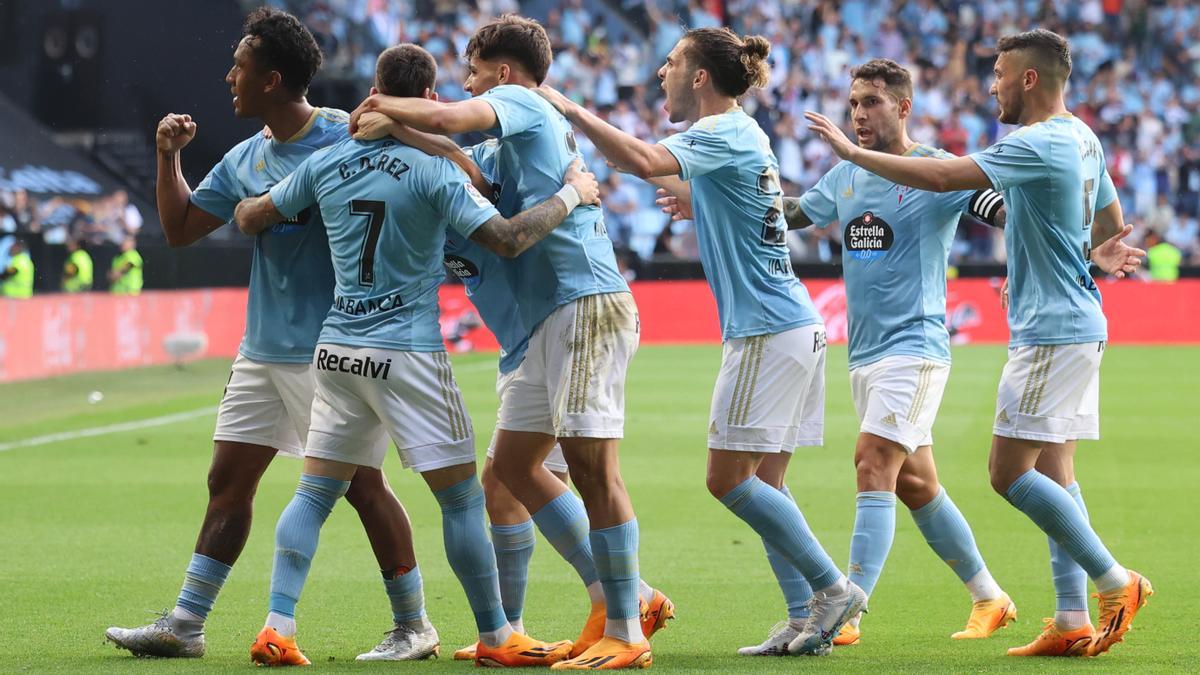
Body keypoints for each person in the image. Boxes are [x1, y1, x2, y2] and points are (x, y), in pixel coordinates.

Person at [232, 42, 602, 668]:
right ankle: (495, 634)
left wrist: (254, 206)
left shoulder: (328, 161)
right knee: (460, 499)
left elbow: (250, 216)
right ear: (430, 100)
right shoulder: (436, 172)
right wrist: (572, 196)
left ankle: (278, 625)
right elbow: (509, 239)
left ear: (378, 89)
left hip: (337, 349)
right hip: (407, 353)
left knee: (315, 492)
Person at [805, 29, 1149, 658]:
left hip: (1049, 331)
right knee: (1051, 471)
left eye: (997, 73)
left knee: (1007, 473)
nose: (988, 84)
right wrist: (1092, 255)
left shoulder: (1035, 139)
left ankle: (1114, 579)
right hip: (1069, 320)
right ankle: (1069, 616)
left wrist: (849, 154)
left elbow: (944, 177)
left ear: (1027, 79)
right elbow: (1107, 214)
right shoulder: (1083, 137)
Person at [662, 57, 1018, 651]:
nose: (858, 114)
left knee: (871, 462)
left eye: (872, 102)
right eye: (854, 103)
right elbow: (791, 215)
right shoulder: (846, 177)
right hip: (865, 352)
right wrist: (708, 202)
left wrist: (1029, 261)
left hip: (918, 345)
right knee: (917, 485)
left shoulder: (935, 169)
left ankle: (845, 606)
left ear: (903, 107)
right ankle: (988, 594)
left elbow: (1000, 210)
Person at [536, 27, 865, 657]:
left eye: (671, 63)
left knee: (727, 480)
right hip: (791, 324)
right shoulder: (742, 134)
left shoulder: (721, 131)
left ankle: (831, 588)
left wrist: (570, 107)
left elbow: (637, 160)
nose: (660, 73)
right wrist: (697, 201)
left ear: (699, 78)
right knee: (766, 483)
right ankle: (805, 616)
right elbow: (741, 198)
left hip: (768, 329)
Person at [349, 15, 661, 670]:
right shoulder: (500, 149)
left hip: (583, 301)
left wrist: (385, 108)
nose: (467, 83)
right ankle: (559, 617)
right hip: (542, 323)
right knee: (511, 471)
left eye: (473, 70)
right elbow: (471, 170)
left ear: (503, 72)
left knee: (591, 465)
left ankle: (627, 625)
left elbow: (456, 124)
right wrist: (401, 127)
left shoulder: (523, 101)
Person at [104, 8, 415, 661]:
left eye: (238, 68)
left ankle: (414, 623)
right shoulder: (249, 156)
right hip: (261, 350)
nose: (227, 78)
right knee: (228, 479)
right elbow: (183, 228)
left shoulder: (346, 137)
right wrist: (169, 159)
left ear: (272, 80)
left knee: (361, 485)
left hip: (331, 351)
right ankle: (186, 623)